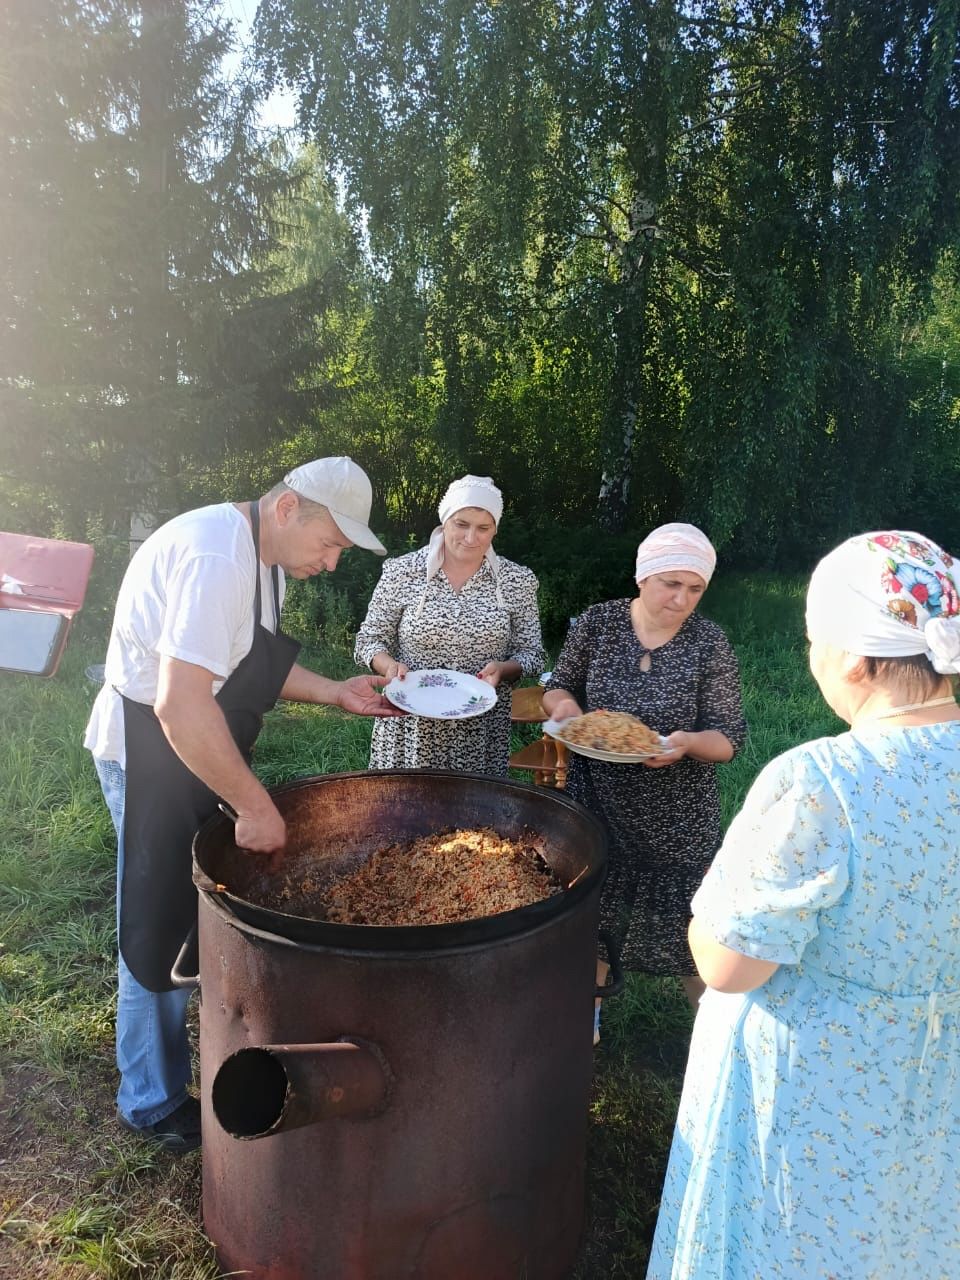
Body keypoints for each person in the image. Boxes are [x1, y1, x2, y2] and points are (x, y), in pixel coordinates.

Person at [647, 530, 960, 1279]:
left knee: (787, 1242)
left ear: (854, 657)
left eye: (814, 640)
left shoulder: (826, 779)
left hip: (815, 1090)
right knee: (897, 1230)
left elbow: (728, 964)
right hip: (931, 1069)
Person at [84, 457, 402, 1153]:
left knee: (185, 913)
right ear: (289, 508)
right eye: (330, 545)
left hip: (192, 747)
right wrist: (254, 806)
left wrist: (334, 692)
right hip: (152, 753)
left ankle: (185, 1062)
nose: (330, 562)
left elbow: (250, 661)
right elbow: (179, 703)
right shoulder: (213, 556)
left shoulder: (260, 556)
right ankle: (151, 1101)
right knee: (155, 923)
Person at [541, 523, 746, 1010]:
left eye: (695, 588)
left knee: (695, 936)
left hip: (677, 817)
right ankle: (582, 1025)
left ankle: (714, 1037)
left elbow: (728, 739)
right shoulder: (598, 623)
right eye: (670, 583)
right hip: (599, 803)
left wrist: (686, 742)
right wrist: (566, 708)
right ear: (643, 576)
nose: (682, 599)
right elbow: (559, 683)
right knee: (592, 922)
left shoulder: (708, 643)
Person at [354, 474, 545, 774]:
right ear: (445, 522)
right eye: (461, 524)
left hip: (480, 729)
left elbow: (532, 653)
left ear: (496, 528)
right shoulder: (403, 572)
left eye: (483, 528)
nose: (471, 538)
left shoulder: (516, 581)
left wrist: (504, 670)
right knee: (405, 814)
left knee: (474, 819)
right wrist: (388, 666)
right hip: (410, 724)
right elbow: (369, 640)